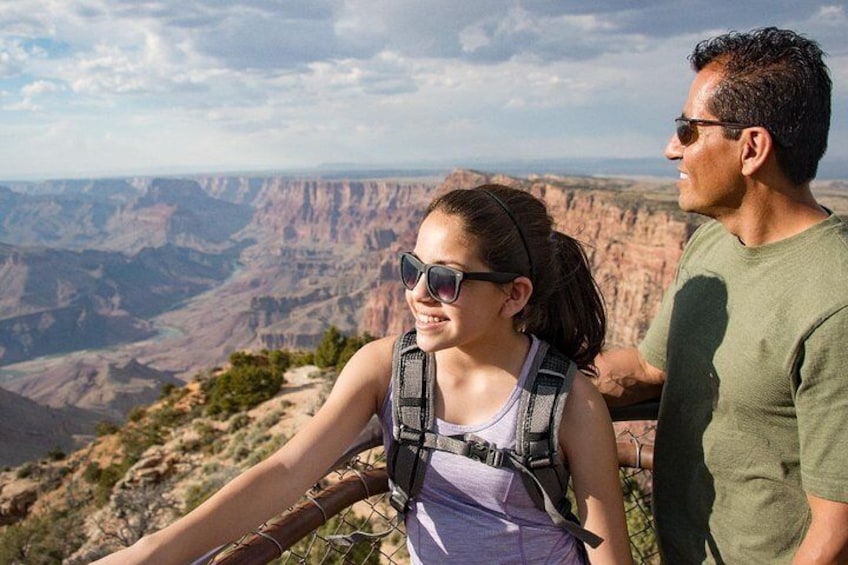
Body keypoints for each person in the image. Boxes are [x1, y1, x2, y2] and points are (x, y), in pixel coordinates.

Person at [94, 183, 633, 564]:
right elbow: (287, 470)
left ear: (513, 295)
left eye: (444, 280)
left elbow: (607, 552)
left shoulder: (568, 402)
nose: (418, 293)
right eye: (412, 269)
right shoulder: (386, 368)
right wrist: (150, 553)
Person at [593, 27, 848, 564]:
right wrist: (514, 380)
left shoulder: (835, 303)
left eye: (689, 130)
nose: (670, 149)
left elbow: (836, 529)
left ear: (751, 147)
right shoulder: (713, 243)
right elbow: (647, 365)